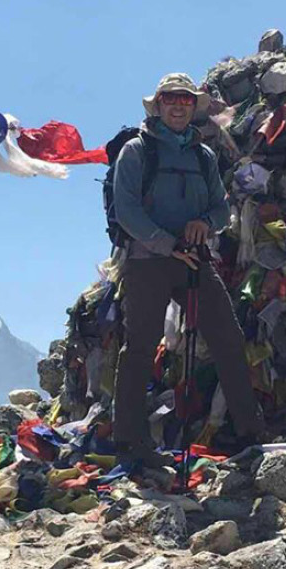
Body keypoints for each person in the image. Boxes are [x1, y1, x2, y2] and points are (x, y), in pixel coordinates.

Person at [111, 72, 264, 466]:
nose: (178, 106)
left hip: (194, 258)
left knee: (227, 336)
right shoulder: (136, 151)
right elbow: (126, 210)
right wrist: (168, 243)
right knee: (140, 348)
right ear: (158, 105)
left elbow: (220, 207)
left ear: (193, 106)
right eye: (170, 100)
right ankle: (129, 439)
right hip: (147, 263)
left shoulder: (203, 156)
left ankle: (250, 430)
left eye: (185, 100)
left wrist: (204, 225)